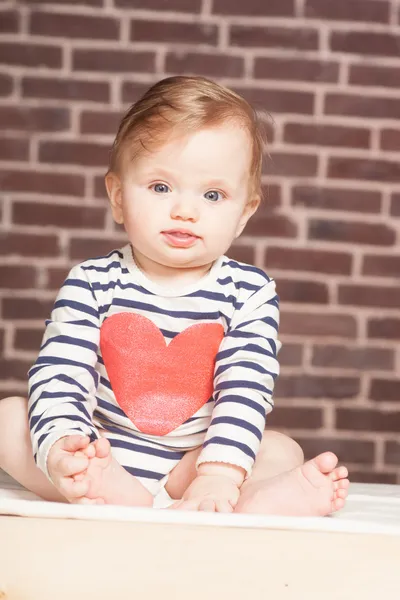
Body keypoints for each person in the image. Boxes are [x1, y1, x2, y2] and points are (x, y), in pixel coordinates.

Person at [0, 76, 349, 515]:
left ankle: (236, 498)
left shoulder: (250, 292)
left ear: (243, 213)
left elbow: (245, 389)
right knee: (10, 418)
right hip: (106, 456)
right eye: (161, 187)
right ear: (118, 196)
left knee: (281, 449)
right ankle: (101, 487)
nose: (186, 209)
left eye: (213, 194)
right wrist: (68, 448)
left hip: (195, 468)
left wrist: (218, 473)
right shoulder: (91, 281)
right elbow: (62, 373)